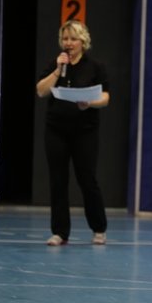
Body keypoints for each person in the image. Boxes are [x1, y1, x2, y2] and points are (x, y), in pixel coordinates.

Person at [36, 20, 110, 246]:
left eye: (73, 39)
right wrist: (58, 70)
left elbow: (105, 98)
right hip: (56, 129)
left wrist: (90, 102)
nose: (68, 43)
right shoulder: (56, 65)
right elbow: (41, 91)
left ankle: (99, 228)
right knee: (58, 180)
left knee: (86, 179)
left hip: (84, 131)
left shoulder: (95, 67)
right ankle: (60, 232)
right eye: (65, 39)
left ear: (83, 42)